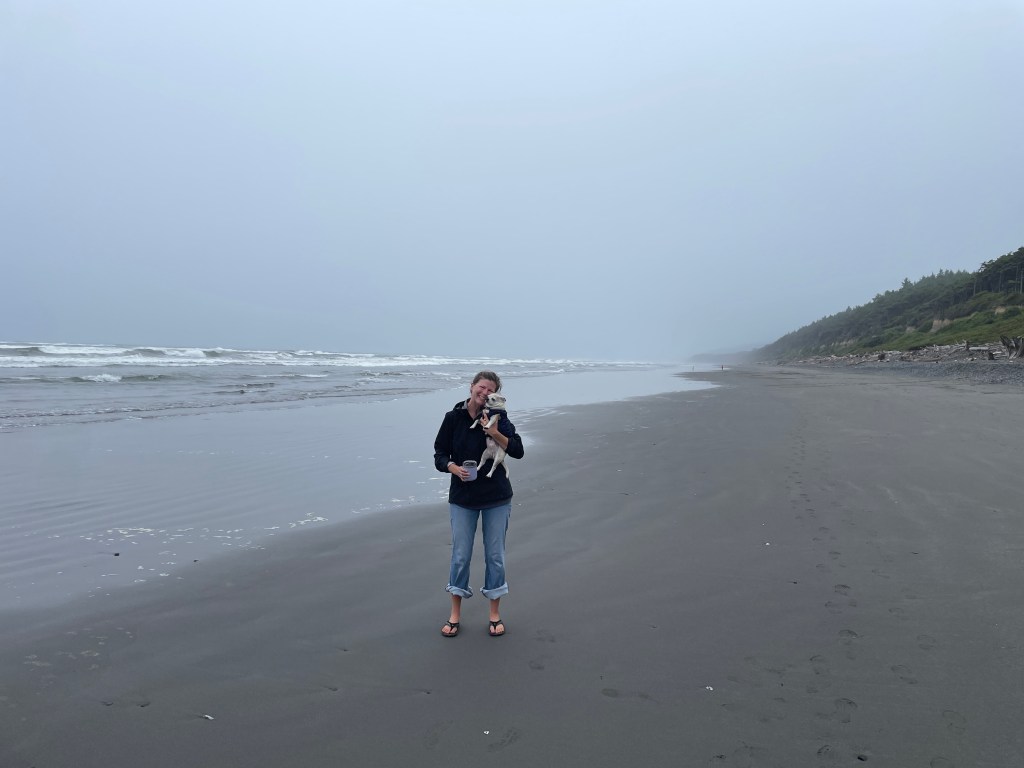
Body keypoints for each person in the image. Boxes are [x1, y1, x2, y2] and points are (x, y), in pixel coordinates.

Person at [433, 371, 524, 637]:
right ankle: (455, 614)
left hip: (497, 497)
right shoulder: (453, 418)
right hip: (463, 498)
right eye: (481, 387)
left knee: (495, 557)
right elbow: (440, 454)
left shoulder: (499, 417)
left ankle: (494, 614)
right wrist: (452, 468)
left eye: (490, 390)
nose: (484, 393)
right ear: (472, 386)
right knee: (460, 556)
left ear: (495, 395)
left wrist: (494, 432)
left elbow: (517, 450)